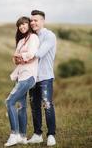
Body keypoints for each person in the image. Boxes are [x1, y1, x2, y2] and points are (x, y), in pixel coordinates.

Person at [4, 16, 39, 147]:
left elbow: (31, 55)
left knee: (9, 102)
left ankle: (14, 135)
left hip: (29, 76)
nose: (22, 26)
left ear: (29, 25)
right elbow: (14, 59)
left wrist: (21, 57)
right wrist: (20, 57)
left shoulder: (34, 38)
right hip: (20, 76)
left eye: (24, 24)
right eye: (20, 25)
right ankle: (23, 137)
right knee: (22, 106)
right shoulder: (21, 41)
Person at [27, 10, 57, 146]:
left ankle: (51, 135)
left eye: (36, 20)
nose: (33, 23)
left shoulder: (49, 35)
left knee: (47, 105)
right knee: (34, 107)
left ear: (43, 21)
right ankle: (37, 134)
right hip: (32, 77)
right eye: (31, 20)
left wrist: (23, 55)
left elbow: (39, 53)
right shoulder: (31, 36)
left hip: (45, 77)